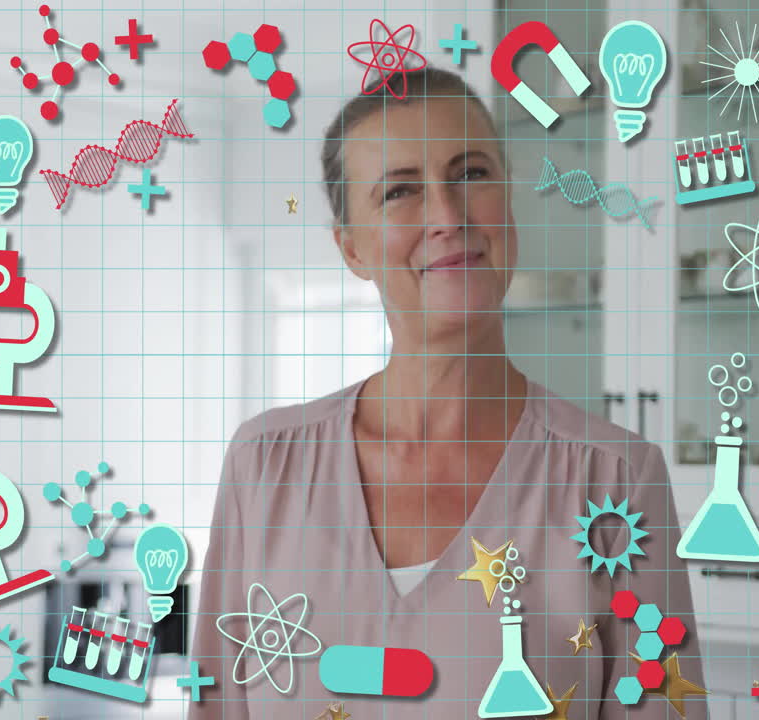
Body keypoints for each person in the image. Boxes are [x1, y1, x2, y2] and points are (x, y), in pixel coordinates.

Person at [189, 67, 705, 719]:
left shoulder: (616, 481)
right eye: (400, 190)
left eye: (471, 174)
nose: (447, 216)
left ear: (508, 203)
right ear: (351, 249)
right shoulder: (264, 466)